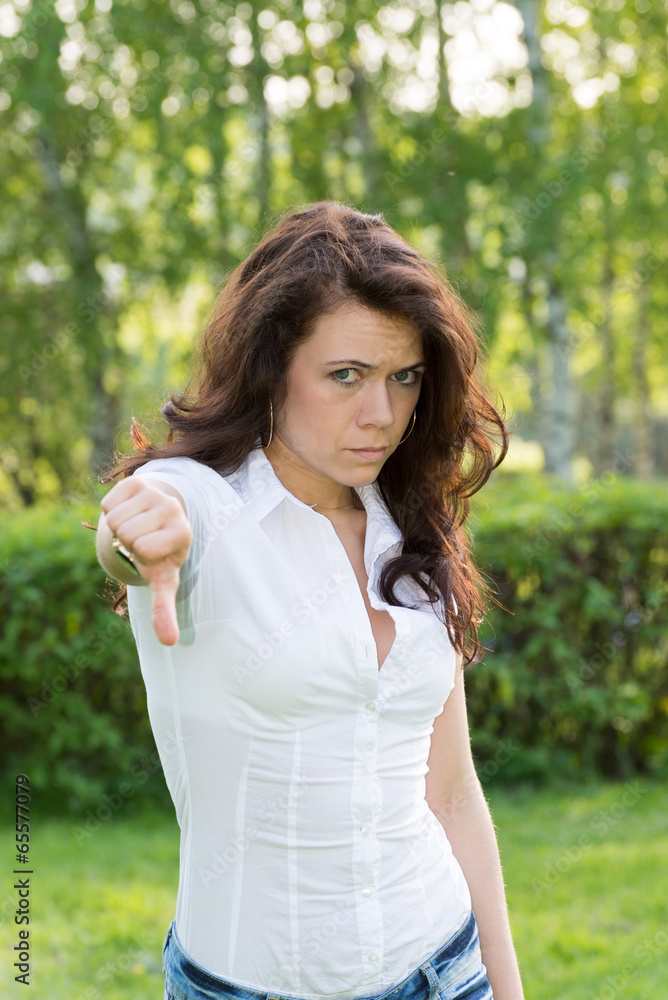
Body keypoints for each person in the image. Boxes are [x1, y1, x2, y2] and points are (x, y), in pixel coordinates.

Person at [95, 201, 524, 1000]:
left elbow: (453, 792)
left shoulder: (411, 527)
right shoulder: (200, 505)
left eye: (404, 378)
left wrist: (506, 989)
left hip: (444, 964)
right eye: (345, 376)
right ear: (271, 369)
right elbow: (136, 524)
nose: (382, 415)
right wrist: (130, 536)